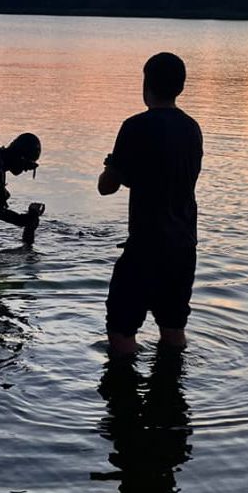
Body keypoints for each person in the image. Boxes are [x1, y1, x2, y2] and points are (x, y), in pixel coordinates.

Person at [97, 52, 203, 357]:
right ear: (180, 87)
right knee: (173, 327)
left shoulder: (135, 126)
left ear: (146, 85)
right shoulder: (192, 129)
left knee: (121, 328)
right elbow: (167, 180)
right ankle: (170, 390)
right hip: (184, 246)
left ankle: (123, 394)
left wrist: (111, 166)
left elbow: (107, 188)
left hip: (146, 246)